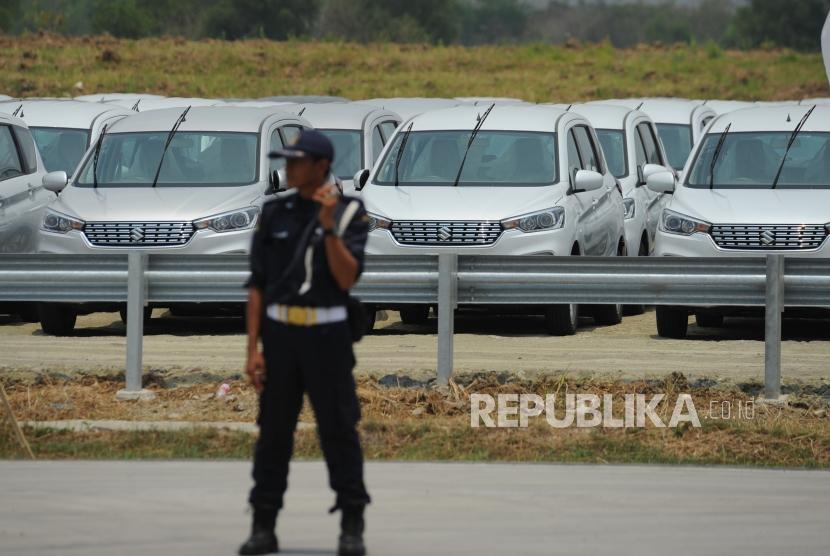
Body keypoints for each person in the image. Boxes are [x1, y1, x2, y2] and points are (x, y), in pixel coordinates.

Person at [239, 130, 371, 556]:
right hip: (280, 337)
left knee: (338, 431)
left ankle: (352, 523)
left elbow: (347, 277)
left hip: (328, 336)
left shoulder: (350, 213)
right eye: (286, 161)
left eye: (296, 162)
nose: (288, 168)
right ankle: (263, 524)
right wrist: (252, 348)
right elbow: (258, 285)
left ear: (319, 166)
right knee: (273, 434)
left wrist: (329, 229)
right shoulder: (274, 213)